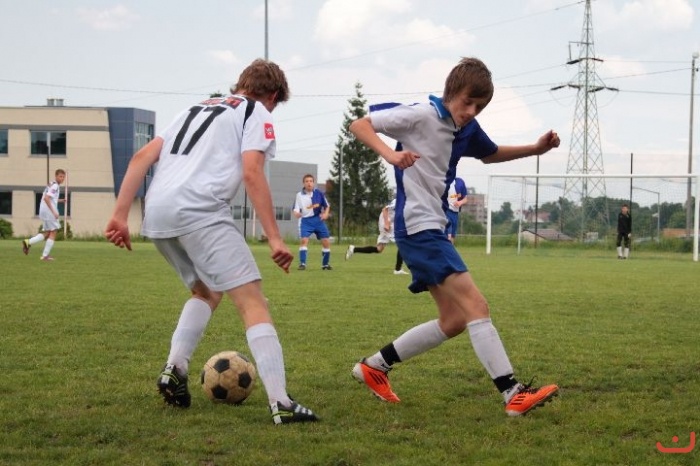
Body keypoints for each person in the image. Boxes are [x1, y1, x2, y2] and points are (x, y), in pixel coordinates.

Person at [104, 59, 318, 425]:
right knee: (253, 302)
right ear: (273, 96)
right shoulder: (255, 111)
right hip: (200, 210)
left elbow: (141, 157)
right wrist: (274, 238)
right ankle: (281, 403)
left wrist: (120, 215)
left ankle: (175, 369)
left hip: (158, 213)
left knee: (206, 291)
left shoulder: (193, 108)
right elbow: (252, 172)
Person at [348, 57, 560, 416]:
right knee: (477, 306)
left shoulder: (467, 128)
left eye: (480, 107)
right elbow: (360, 124)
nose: (471, 111)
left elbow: (491, 154)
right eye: (467, 102)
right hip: (418, 226)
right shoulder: (420, 114)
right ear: (451, 93)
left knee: (455, 319)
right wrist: (390, 155)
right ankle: (513, 394)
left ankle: (374, 366)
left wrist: (536, 149)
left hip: (432, 228)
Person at [345, 198, 408, 275]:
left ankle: (353, 249)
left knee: (379, 249)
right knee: (403, 243)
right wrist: (387, 223)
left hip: (392, 224)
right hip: (386, 222)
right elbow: (385, 209)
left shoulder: (411, 202)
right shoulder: (401, 199)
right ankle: (398, 269)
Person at [22, 168, 66, 261]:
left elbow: (50, 198)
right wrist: (54, 211)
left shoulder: (51, 184)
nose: (62, 178)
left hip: (43, 210)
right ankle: (45, 256)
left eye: (63, 177)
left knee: (47, 233)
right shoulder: (55, 186)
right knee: (54, 231)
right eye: (60, 176)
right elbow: (46, 198)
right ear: (56, 176)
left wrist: (60, 200)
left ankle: (28, 242)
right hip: (48, 211)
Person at [293, 174, 332, 270]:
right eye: (307, 181)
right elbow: (295, 208)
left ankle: (325, 265)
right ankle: (302, 264)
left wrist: (326, 214)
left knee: (326, 241)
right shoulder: (299, 195)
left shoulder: (319, 193)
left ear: (313, 183)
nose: (309, 183)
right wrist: (296, 213)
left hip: (318, 220)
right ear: (304, 183)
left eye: (311, 181)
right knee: (304, 240)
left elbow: (327, 206)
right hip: (306, 221)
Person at [445, 177, 468, 243]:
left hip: (455, 213)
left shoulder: (460, 182)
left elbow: (465, 199)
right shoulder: (442, 181)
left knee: (452, 236)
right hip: (446, 211)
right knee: (448, 235)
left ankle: (449, 248)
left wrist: (460, 202)